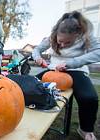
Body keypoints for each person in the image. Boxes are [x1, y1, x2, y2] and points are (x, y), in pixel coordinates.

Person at [32, 11, 99, 140]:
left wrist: (72, 63)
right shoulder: (51, 37)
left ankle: (85, 130)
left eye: (67, 43)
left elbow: (98, 52)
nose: (62, 45)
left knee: (89, 98)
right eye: (60, 41)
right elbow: (36, 50)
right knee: (31, 84)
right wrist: (38, 58)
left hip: (77, 70)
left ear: (77, 34)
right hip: (53, 70)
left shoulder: (86, 35)